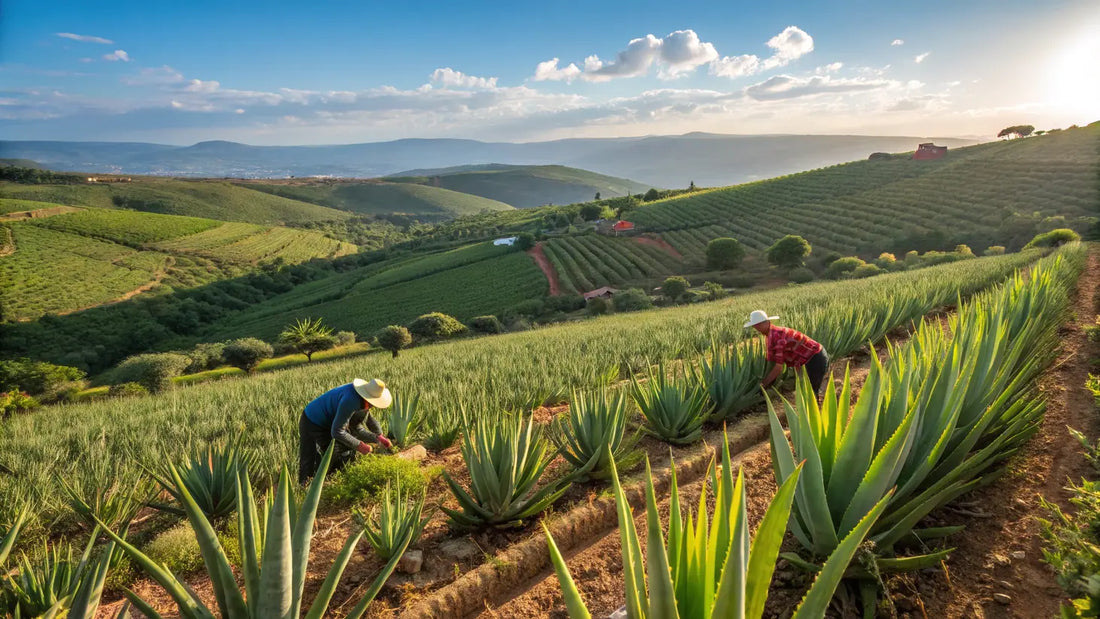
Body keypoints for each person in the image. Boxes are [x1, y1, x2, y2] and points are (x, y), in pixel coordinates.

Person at [299, 377, 393, 484]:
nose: (372, 406)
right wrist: (359, 445)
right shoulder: (351, 401)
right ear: (367, 397)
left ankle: (330, 482)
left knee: (340, 453)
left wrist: (379, 437)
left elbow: (364, 424)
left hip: (330, 422)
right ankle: (305, 488)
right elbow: (337, 431)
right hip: (312, 420)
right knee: (310, 457)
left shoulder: (364, 402)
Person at [744, 310, 830, 395]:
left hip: (816, 358)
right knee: (804, 391)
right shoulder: (770, 335)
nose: (757, 328)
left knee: (811, 393)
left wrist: (762, 385)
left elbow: (778, 367)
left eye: (758, 325)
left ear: (766, 322)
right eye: (755, 326)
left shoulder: (777, 336)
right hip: (806, 360)